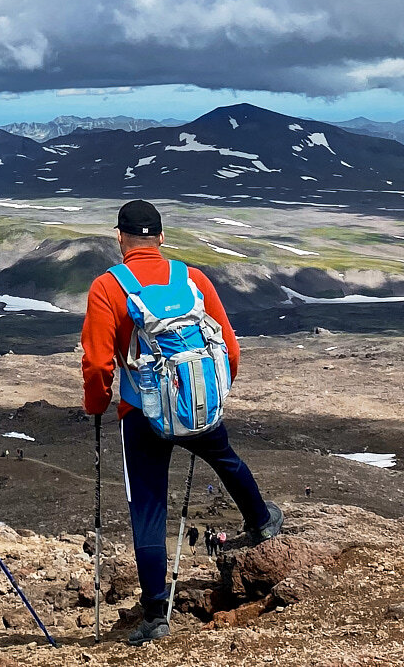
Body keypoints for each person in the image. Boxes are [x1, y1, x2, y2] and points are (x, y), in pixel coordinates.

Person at [81, 200, 284, 647]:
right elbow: (228, 347)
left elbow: (98, 364)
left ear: (120, 238)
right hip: (197, 406)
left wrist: (96, 404)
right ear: (162, 238)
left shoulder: (107, 287)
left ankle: (156, 614)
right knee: (226, 458)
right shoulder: (192, 278)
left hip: (141, 414)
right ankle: (262, 521)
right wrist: (212, 397)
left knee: (148, 507)